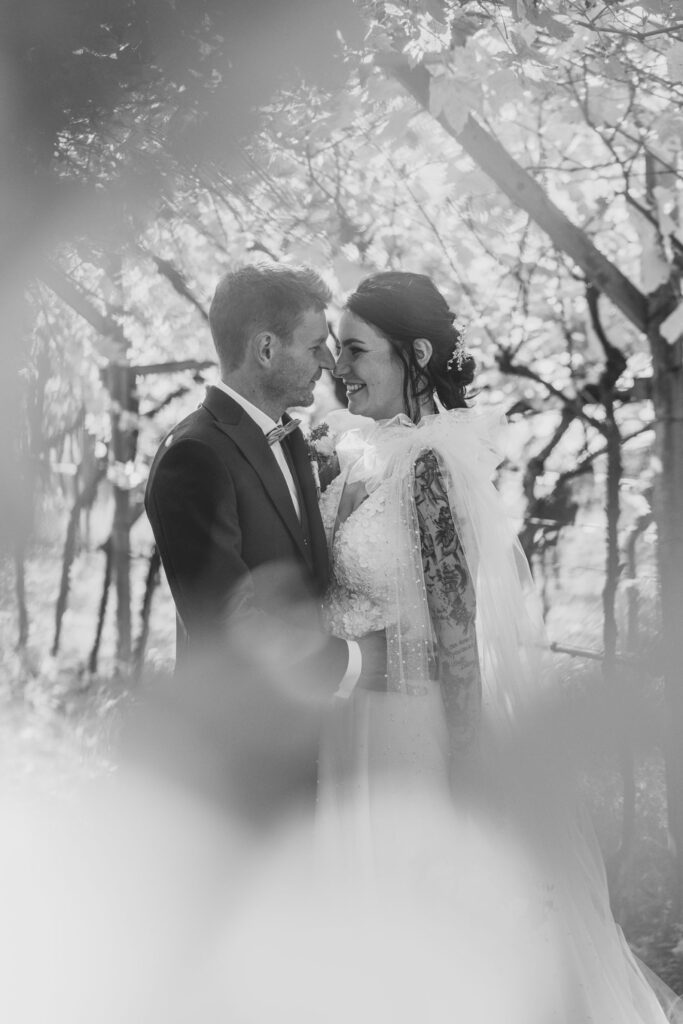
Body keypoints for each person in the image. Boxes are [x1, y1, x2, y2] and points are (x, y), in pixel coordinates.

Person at [316, 270, 683, 1022]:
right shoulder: (363, 455)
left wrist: (466, 763)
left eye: (355, 350)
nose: (337, 366)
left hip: (408, 730)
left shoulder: (429, 468)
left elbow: (457, 634)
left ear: (415, 354)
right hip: (350, 721)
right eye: (335, 349)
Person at [145, 262, 385, 692]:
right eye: (316, 347)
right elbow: (227, 626)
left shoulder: (292, 438)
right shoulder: (195, 455)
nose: (330, 363)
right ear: (266, 349)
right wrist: (356, 661)